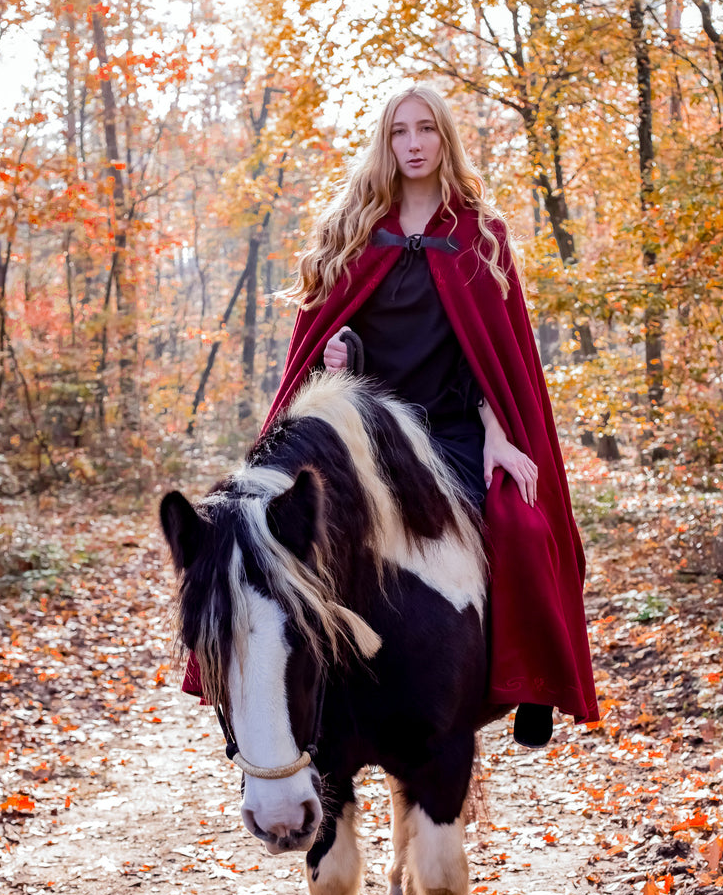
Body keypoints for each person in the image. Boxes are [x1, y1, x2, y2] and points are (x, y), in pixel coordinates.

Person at [253, 85, 599, 743]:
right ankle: (286, 683)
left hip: (454, 433)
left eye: (426, 131)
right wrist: (338, 357)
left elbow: (494, 359)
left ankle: (531, 685)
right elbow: (333, 343)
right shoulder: (350, 232)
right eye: (399, 133)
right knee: (286, 527)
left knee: (522, 524)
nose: (413, 144)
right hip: (371, 433)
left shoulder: (479, 237)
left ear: (445, 139)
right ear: (384, 144)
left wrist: (502, 438)